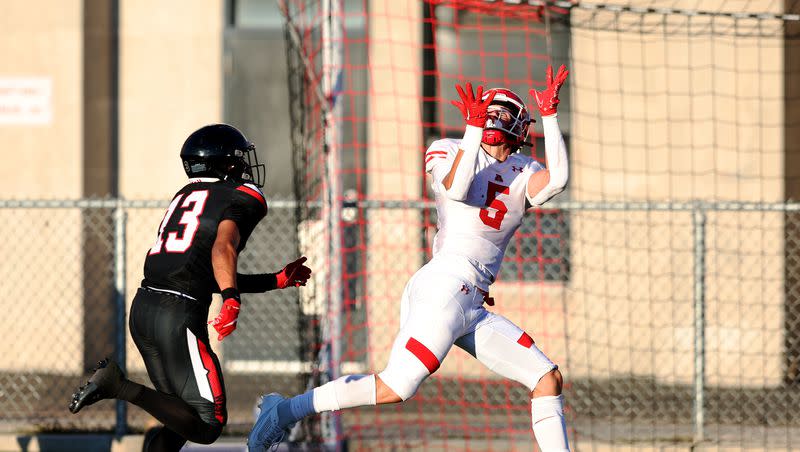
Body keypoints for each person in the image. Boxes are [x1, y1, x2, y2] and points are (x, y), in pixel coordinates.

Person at [247, 65, 571, 452]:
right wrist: (470, 130)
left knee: (546, 377)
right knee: (394, 387)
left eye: (506, 111)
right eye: (490, 109)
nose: (495, 116)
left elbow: (557, 181)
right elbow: (457, 187)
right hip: (445, 287)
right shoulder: (450, 148)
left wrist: (550, 116)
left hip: (473, 301)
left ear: (521, 129)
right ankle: (283, 412)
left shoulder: (525, 169)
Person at [68, 124, 312, 452]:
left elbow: (201, 270)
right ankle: (119, 386)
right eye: (238, 159)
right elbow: (222, 248)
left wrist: (274, 280)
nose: (243, 165)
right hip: (178, 315)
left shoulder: (184, 195)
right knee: (208, 423)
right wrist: (231, 301)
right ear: (226, 163)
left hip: (145, 308)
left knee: (179, 416)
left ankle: (126, 395)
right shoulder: (243, 196)